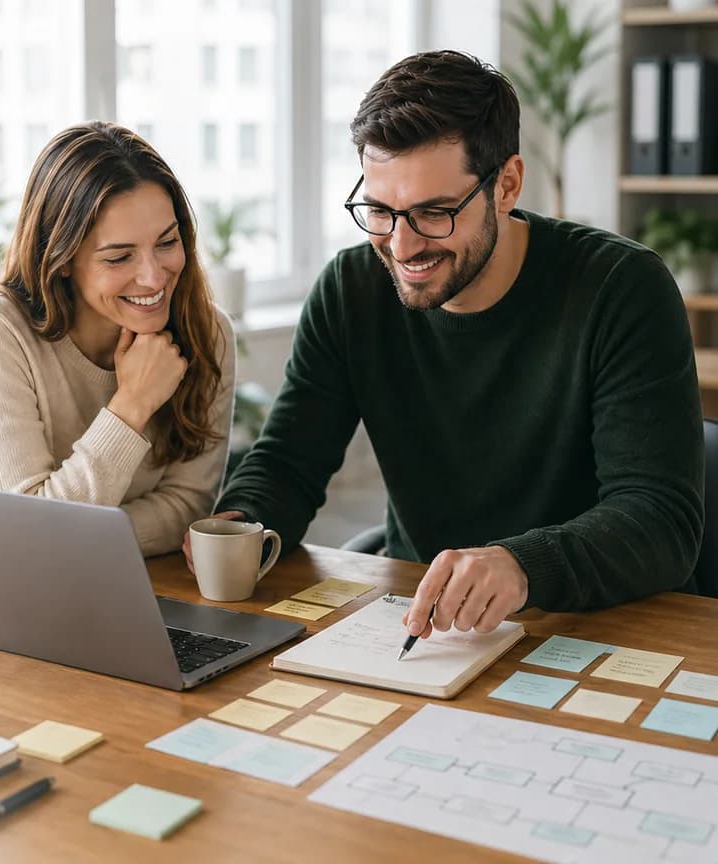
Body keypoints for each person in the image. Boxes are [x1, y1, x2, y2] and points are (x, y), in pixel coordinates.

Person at [189, 50, 703, 640]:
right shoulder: (352, 288)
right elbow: (287, 464)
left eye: (434, 213)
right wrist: (238, 524)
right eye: (380, 211)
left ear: (506, 184)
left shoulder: (620, 289)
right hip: (428, 629)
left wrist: (518, 566)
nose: (402, 247)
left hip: (607, 628)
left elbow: (660, 521)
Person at [0, 121, 236, 610]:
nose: (153, 274)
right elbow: (28, 539)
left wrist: (71, 531)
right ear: (61, 258)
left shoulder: (207, 335)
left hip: (88, 596)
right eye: (119, 256)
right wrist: (132, 406)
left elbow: (186, 507)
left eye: (167, 242)